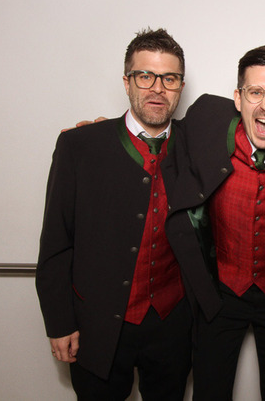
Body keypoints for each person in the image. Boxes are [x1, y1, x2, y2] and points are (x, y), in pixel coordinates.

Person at [36, 28, 193, 400]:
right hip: (97, 323)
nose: (158, 88)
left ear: (181, 87)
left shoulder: (197, 144)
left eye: (169, 78)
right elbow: (56, 242)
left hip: (173, 324)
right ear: (127, 82)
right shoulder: (79, 145)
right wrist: (59, 322)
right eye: (145, 76)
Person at [164, 45, 265, 401]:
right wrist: (102, 132)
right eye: (255, 92)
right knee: (209, 392)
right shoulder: (205, 120)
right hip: (220, 290)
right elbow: (159, 132)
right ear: (237, 98)